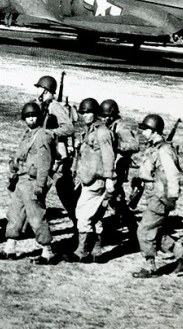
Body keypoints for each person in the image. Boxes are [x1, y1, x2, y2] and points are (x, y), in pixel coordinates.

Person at [132, 114, 183, 278]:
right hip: (154, 194)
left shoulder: (164, 150)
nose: (143, 132)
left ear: (154, 130)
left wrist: (171, 198)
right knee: (155, 232)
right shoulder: (155, 147)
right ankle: (181, 253)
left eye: (146, 129)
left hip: (160, 196)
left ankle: (150, 266)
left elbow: (173, 175)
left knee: (144, 230)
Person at [0, 102, 57, 265]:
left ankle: (47, 251)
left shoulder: (42, 136)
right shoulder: (27, 135)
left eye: (33, 116)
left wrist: (40, 185)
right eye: (28, 117)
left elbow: (45, 164)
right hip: (21, 181)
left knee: (36, 217)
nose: (31, 119)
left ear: (39, 117)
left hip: (32, 182)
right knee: (14, 214)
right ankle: (10, 248)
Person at [70, 98, 116, 262]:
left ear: (95, 113)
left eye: (88, 112)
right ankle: (97, 252)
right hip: (89, 179)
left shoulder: (102, 132)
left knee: (83, 214)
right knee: (95, 216)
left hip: (97, 180)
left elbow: (108, 155)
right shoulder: (90, 130)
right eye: (82, 112)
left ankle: (81, 252)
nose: (85, 115)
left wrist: (109, 178)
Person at [35, 76, 76, 220]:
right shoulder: (44, 105)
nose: (37, 91)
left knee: (64, 193)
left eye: (39, 88)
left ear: (45, 90)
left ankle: (81, 224)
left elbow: (69, 128)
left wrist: (52, 133)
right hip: (48, 154)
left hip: (57, 157)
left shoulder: (54, 107)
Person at [101, 99, 140, 241]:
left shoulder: (121, 127)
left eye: (105, 116)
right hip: (110, 166)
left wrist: (116, 144)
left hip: (118, 167)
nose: (103, 119)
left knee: (109, 197)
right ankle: (133, 229)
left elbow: (135, 146)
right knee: (117, 200)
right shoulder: (109, 126)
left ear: (112, 115)